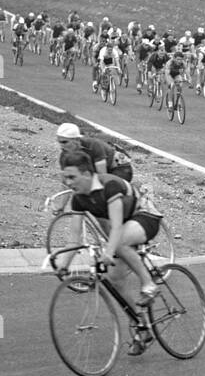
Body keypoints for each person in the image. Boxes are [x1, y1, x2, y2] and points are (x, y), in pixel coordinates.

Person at [55, 150, 166, 353]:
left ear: (87, 174)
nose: (68, 183)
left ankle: (149, 284)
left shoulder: (109, 186)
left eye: (72, 177)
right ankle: (142, 327)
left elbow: (115, 228)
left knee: (120, 241)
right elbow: (74, 238)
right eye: (65, 178)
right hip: (124, 227)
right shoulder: (79, 199)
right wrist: (63, 264)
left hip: (145, 216)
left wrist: (108, 252)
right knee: (115, 280)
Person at [56, 123, 133, 182]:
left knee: (108, 190)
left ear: (76, 139)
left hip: (120, 167)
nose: (61, 145)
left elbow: (102, 176)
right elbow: (66, 183)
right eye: (59, 142)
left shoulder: (93, 145)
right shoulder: (64, 156)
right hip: (101, 169)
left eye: (64, 142)